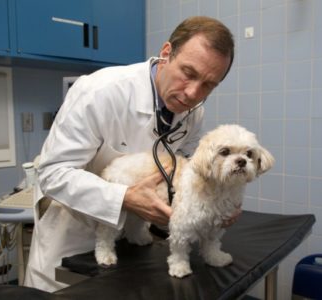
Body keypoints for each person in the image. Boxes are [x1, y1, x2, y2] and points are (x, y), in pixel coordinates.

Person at [24, 16, 235, 292]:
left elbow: (180, 174)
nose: (193, 93)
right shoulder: (100, 92)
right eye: (189, 73)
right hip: (74, 241)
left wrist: (217, 201)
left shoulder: (193, 113)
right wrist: (124, 198)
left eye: (209, 85)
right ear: (166, 53)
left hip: (134, 246)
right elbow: (52, 174)